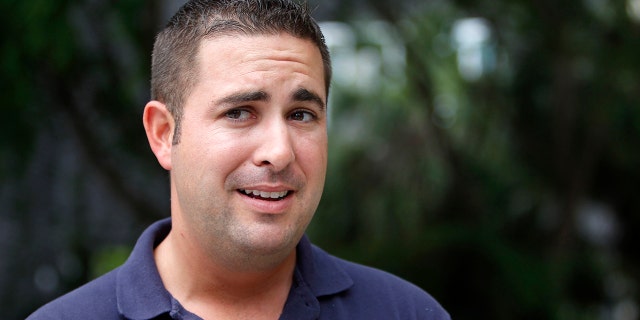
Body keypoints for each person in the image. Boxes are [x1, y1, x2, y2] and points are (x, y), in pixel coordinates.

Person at [28, 0, 450, 319]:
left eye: (301, 115)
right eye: (239, 113)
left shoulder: (406, 313)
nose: (279, 151)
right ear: (162, 134)